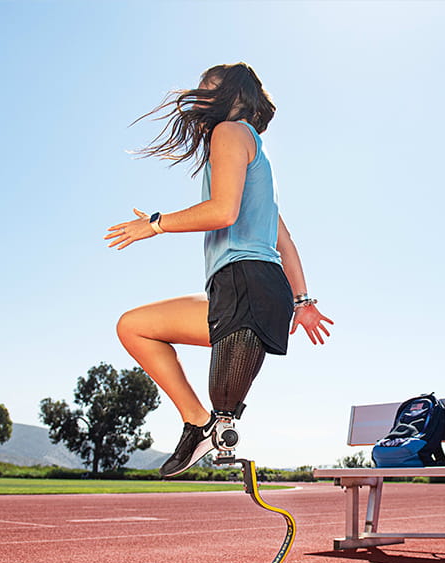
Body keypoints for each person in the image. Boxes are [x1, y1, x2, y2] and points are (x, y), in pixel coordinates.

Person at [105, 63, 333, 478]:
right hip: (252, 288)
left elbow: (222, 211)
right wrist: (303, 302)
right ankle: (198, 423)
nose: (198, 94)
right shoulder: (254, 158)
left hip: (246, 281)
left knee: (136, 329)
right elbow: (284, 240)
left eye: (207, 86)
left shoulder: (229, 132)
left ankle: (208, 423)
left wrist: (154, 224)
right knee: (134, 326)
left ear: (235, 94)